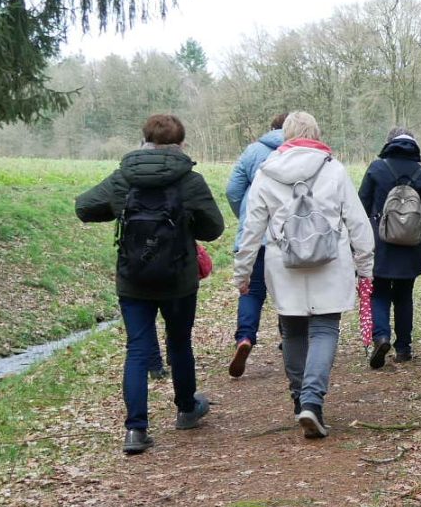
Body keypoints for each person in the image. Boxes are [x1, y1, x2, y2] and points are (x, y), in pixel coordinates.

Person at [76, 113, 225, 455]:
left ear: (144, 140)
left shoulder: (123, 177)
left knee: (137, 349)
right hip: (179, 279)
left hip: (133, 279)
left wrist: (118, 210)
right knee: (180, 342)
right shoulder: (189, 180)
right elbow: (213, 228)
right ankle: (186, 410)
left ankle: (135, 430)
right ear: (180, 143)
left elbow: (84, 208)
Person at [233, 111, 375, 438]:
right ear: (316, 133)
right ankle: (312, 401)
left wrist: (243, 272)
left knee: (292, 331)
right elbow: (357, 222)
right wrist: (365, 266)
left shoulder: (266, 173)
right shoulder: (333, 169)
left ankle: (300, 399)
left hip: (283, 264)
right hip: (330, 261)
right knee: (324, 329)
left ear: (285, 136)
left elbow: (252, 229)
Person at [357, 126, 421, 368]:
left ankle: (381, 336)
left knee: (379, 292)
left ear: (389, 144)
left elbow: (361, 207)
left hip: (380, 244)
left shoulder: (376, 169)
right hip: (412, 246)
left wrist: (358, 243)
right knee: (404, 295)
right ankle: (403, 348)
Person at [224, 112, 288, 377]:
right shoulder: (302, 152)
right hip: (289, 235)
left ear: (271, 127)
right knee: (287, 288)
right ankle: (289, 338)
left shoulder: (253, 151)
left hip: (256, 234)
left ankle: (245, 338)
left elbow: (232, 190)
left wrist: (245, 215)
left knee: (251, 291)